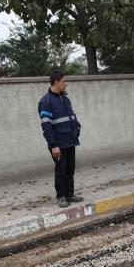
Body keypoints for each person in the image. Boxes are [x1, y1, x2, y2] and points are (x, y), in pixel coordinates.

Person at [38, 70, 83, 207]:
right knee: (61, 170)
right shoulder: (46, 101)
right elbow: (46, 126)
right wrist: (53, 145)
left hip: (70, 141)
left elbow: (71, 118)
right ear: (56, 81)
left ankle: (70, 194)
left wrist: (77, 128)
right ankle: (61, 196)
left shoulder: (65, 99)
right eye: (64, 81)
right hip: (58, 144)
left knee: (70, 169)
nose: (66, 84)